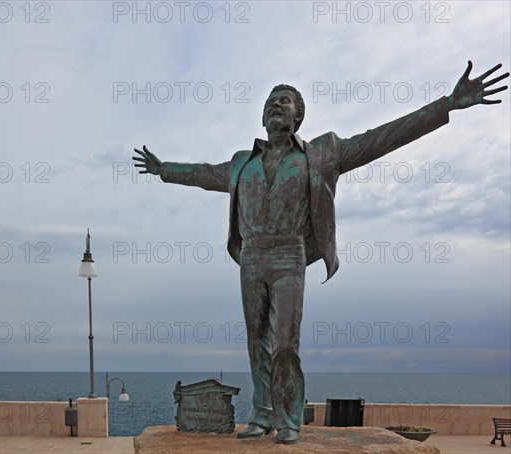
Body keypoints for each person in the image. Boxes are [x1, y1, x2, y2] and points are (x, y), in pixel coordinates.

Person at [132, 61, 508, 444]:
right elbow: (200, 173)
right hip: (251, 257)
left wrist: (446, 104)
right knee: (256, 341)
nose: (276, 105)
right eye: (271, 102)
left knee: (283, 343)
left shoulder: (320, 155)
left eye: (285, 101)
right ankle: (262, 416)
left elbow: (381, 138)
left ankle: (289, 418)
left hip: (289, 255)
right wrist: (165, 169)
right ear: (263, 116)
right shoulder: (239, 165)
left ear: (298, 117)